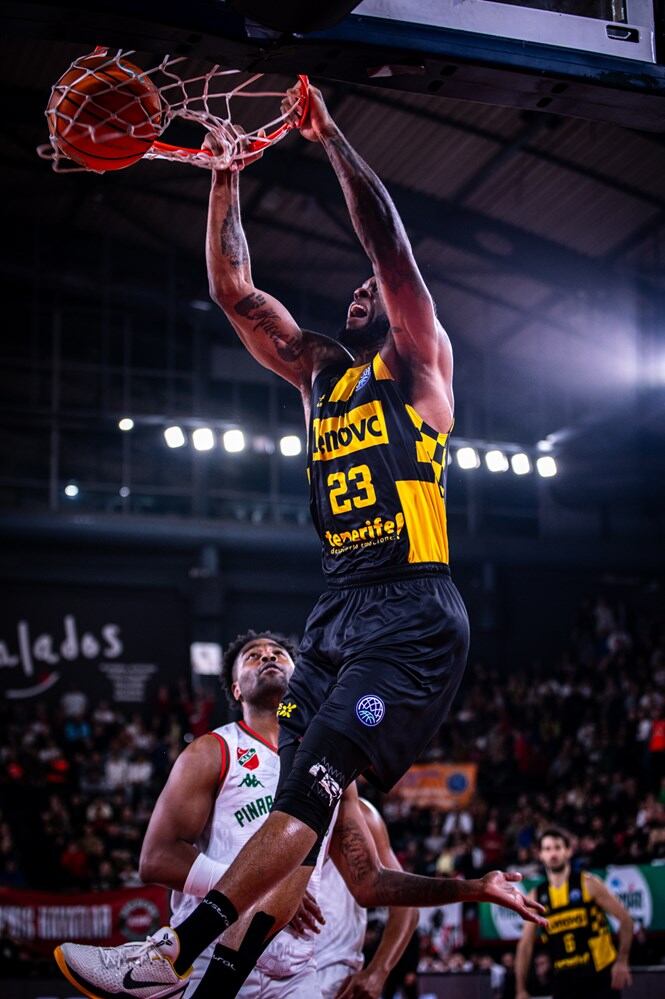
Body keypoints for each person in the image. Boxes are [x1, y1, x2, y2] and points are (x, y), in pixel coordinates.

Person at [54, 84, 547, 999]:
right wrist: (224, 173)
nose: (362, 291)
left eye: (374, 288)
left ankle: (170, 952)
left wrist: (330, 139)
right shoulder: (322, 374)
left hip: (411, 610)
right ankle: (211, 980)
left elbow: (389, 247)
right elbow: (235, 293)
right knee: (301, 814)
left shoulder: (419, 368)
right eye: (354, 289)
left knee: (312, 787)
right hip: (338, 606)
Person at [314, 798, 418, 999]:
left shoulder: (360, 814)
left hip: (335, 975)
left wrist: (378, 971)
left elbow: (406, 905)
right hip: (264, 968)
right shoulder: (260, 803)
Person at [515, 827, 633, 999]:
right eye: (547, 849)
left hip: (600, 976)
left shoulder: (589, 884)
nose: (553, 853)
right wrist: (520, 989)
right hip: (564, 980)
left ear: (568, 851)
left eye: (557, 847)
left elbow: (626, 920)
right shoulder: (536, 896)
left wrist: (622, 961)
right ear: (540, 854)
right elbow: (525, 945)